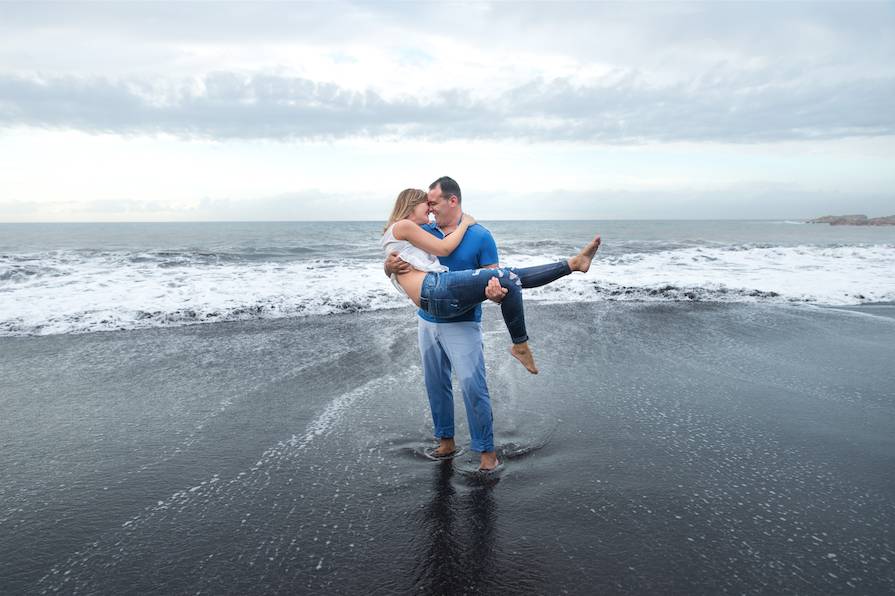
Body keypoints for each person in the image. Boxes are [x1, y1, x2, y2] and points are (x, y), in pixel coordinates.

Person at [383, 177, 600, 471]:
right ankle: (445, 442)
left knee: (474, 387)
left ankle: (487, 454)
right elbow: (398, 253)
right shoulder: (423, 228)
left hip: (462, 321)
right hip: (428, 319)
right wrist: (388, 266)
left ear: (453, 201)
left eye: (434, 203)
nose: (430, 210)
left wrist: (496, 296)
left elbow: (498, 284)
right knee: (435, 384)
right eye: (427, 205)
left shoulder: (480, 236)